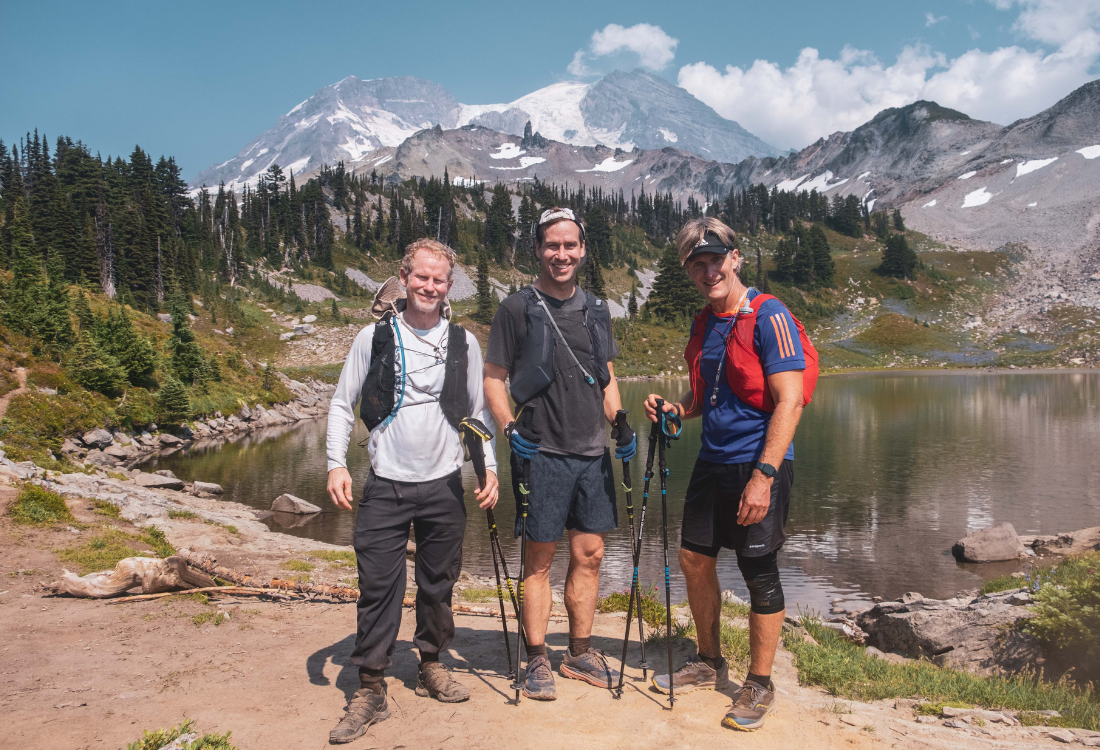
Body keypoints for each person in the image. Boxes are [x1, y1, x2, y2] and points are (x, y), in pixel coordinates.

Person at [325, 238, 499, 744]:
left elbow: (477, 415)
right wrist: (336, 463)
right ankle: (371, 685)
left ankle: (430, 664)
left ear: (449, 286)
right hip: (385, 486)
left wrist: (487, 469)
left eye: (439, 279)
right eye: (421, 277)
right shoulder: (373, 337)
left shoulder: (465, 342)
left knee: (438, 584)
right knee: (378, 587)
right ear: (403, 278)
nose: (429, 286)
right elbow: (342, 403)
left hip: (445, 484)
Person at [645, 217, 815, 732]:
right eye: (696, 264)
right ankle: (709, 658)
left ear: (735, 258)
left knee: (758, 568)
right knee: (693, 558)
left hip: (758, 461)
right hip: (713, 460)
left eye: (715, 259)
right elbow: (708, 397)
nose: (707, 270)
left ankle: (759, 683)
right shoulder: (706, 323)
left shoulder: (771, 316)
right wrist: (677, 409)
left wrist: (764, 476)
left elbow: (789, 401)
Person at [484, 207, 636, 700]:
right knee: (539, 560)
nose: (562, 254)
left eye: (570, 245)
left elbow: (605, 375)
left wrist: (620, 420)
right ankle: (536, 659)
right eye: (553, 245)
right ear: (538, 249)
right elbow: (493, 380)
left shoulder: (596, 309)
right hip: (541, 453)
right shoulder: (516, 308)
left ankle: (579, 651)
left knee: (589, 554)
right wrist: (509, 428)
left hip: (591, 455)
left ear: (583, 250)